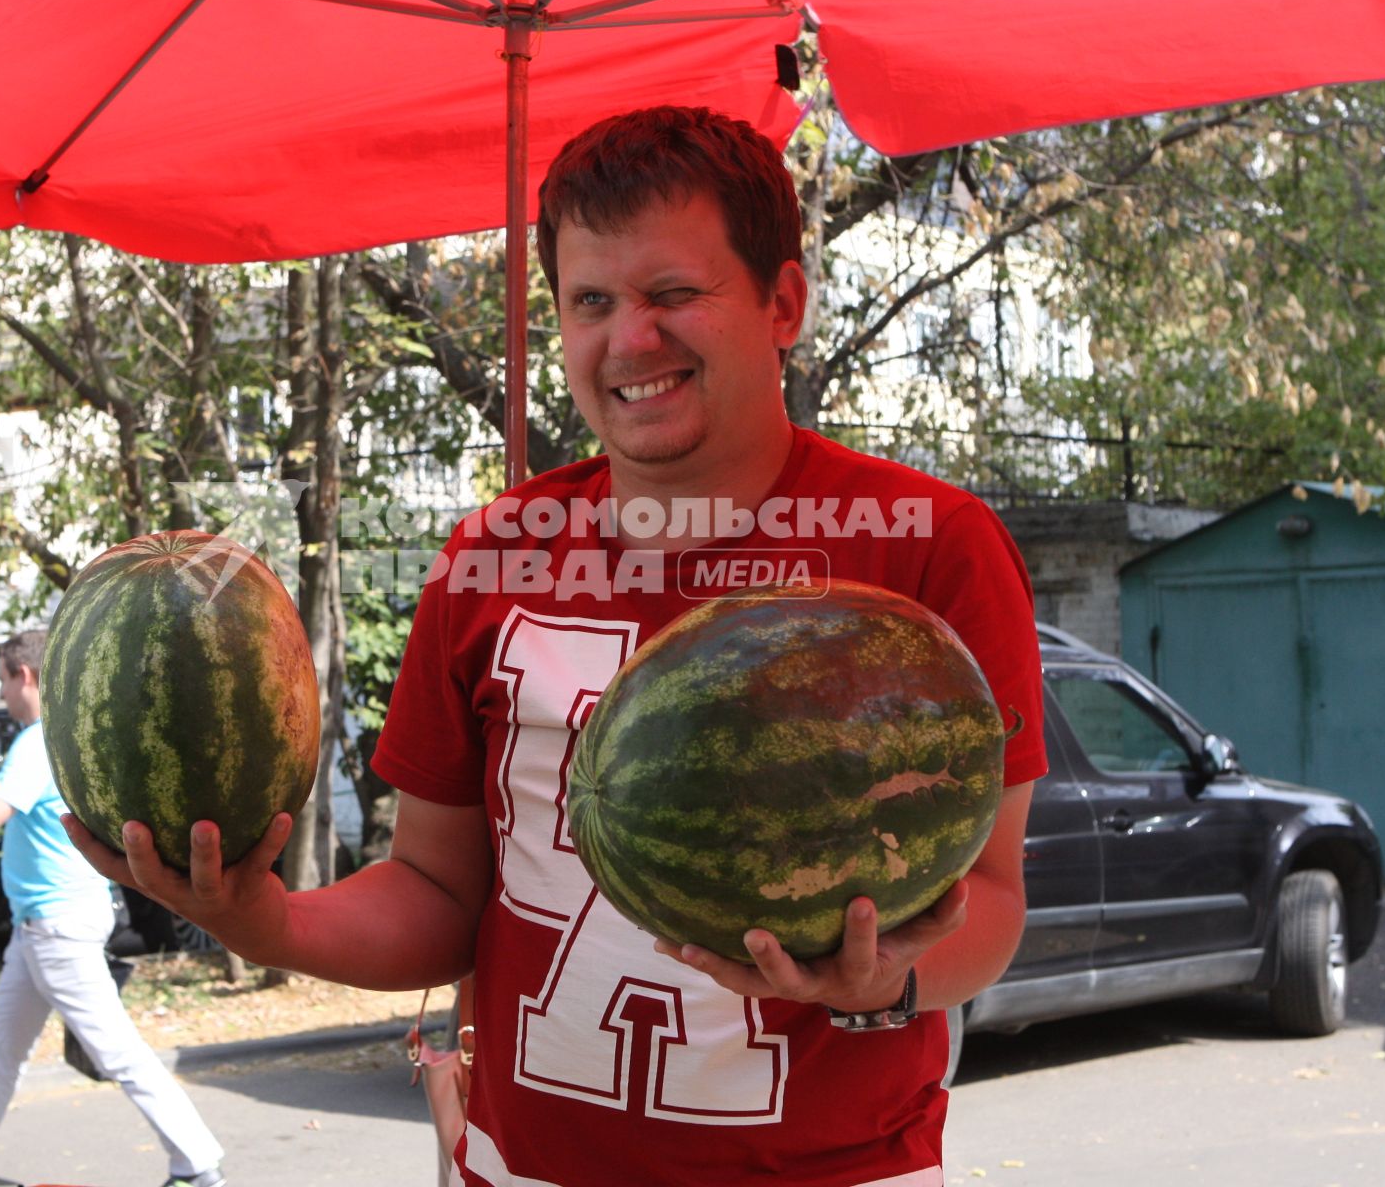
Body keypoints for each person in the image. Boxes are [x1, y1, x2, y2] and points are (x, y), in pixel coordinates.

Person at [69, 107, 1046, 1186]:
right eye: (592, 302)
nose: (630, 339)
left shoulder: (931, 550)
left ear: (783, 302)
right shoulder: (491, 553)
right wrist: (261, 917)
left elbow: (991, 903)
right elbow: (439, 894)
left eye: (673, 293)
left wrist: (883, 982)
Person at [0, 630, 224, 1187]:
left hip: (58, 925)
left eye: (3, 680)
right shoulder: (70, 738)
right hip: (42, 926)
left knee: (115, 1052)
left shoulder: (37, 743)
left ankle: (198, 1166)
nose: (2, 694)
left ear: (22, 676)